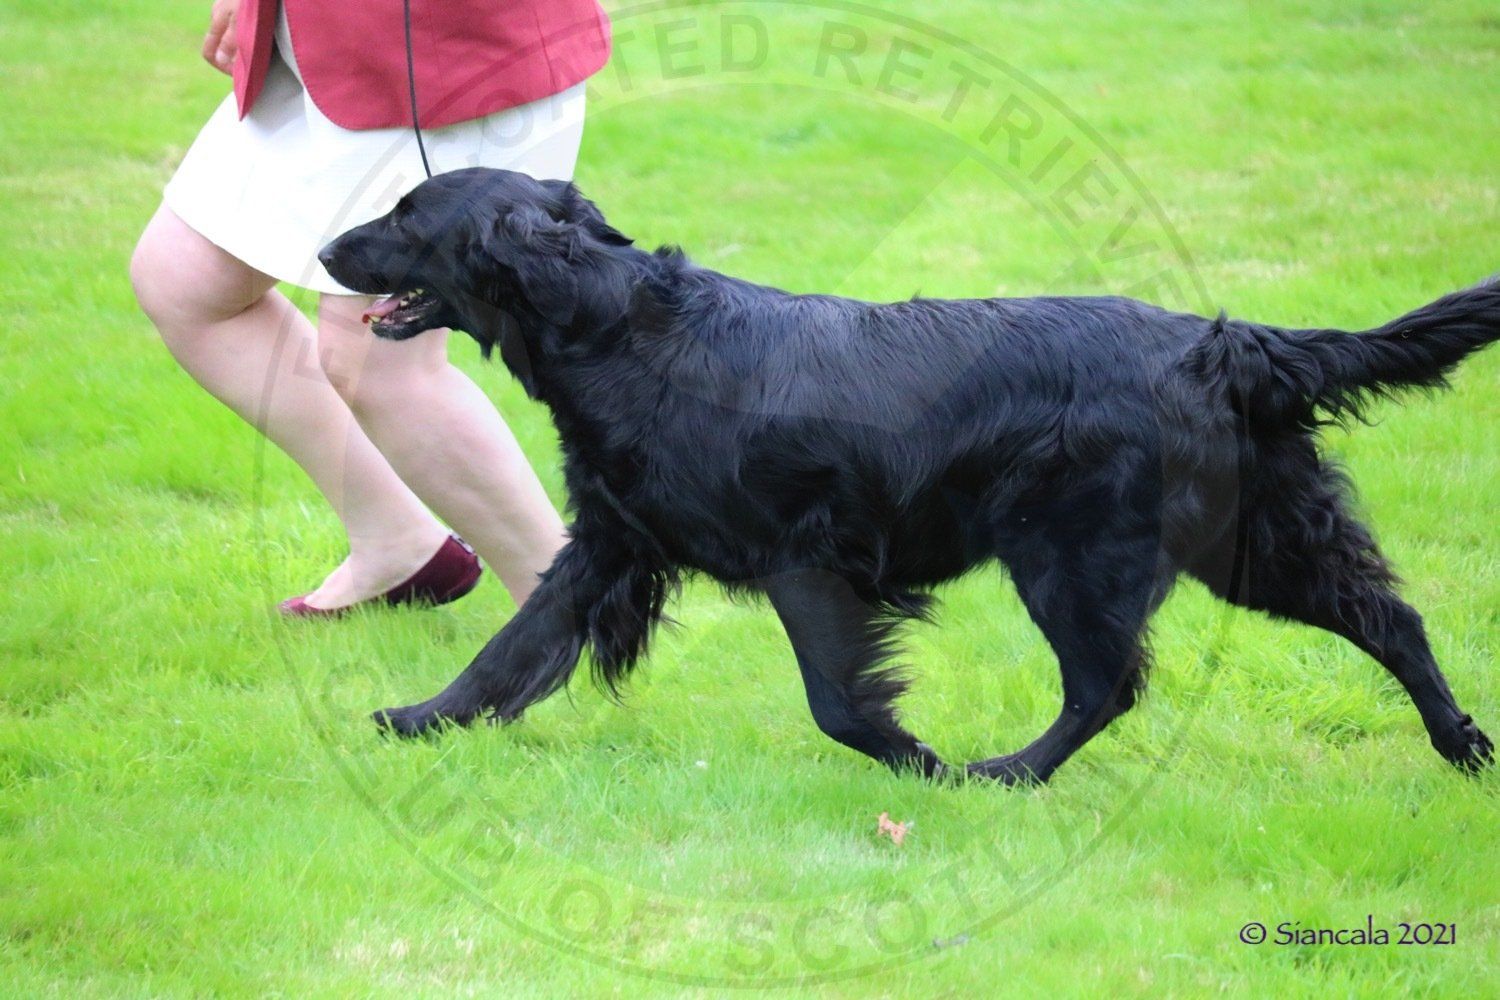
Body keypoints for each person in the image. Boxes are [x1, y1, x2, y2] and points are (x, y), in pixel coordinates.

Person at [129, 0, 611, 615]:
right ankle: (397, 542)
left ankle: (575, 616)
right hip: (317, 39)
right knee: (184, 280)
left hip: (430, 52)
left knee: (381, 363)